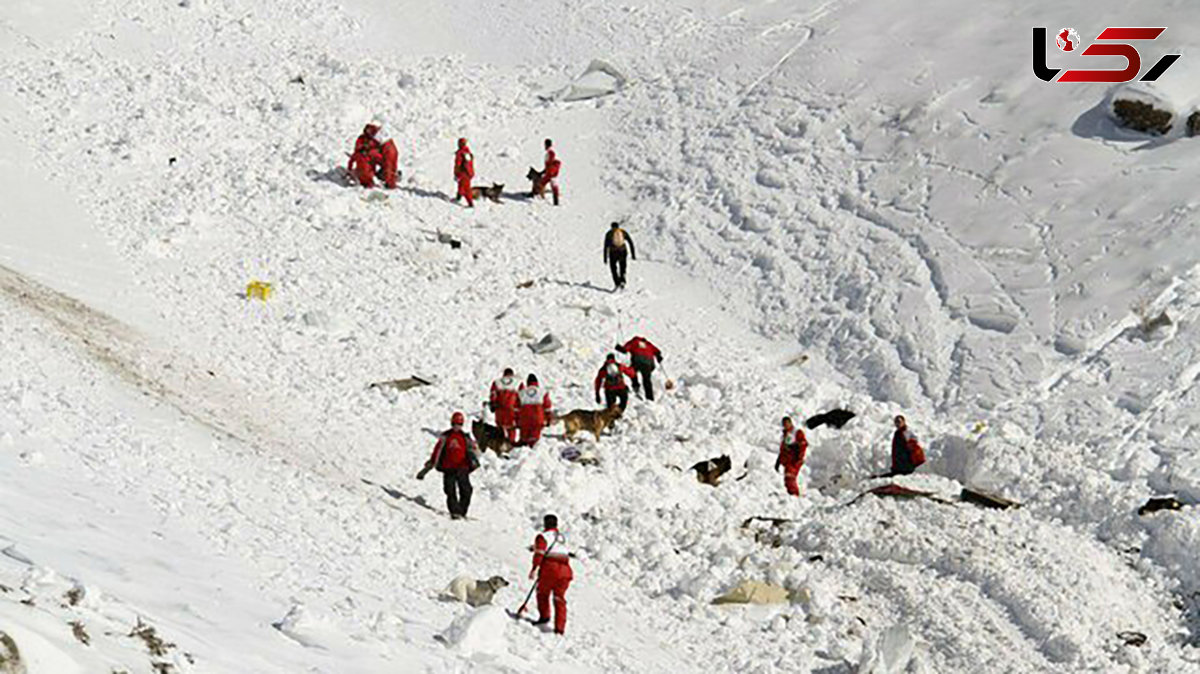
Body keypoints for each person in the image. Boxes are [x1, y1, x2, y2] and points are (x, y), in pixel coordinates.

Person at [416, 412, 481, 520]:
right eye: (455, 424)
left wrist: (474, 453)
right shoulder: (446, 436)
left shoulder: (465, 437)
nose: (457, 426)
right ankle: (454, 511)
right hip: (448, 467)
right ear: (452, 423)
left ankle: (462, 510)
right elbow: (437, 451)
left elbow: (475, 450)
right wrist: (430, 464)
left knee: (466, 490)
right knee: (450, 490)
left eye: (459, 424)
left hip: (462, 467)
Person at [529, 514, 573, 635]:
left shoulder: (542, 536)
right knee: (559, 599)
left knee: (542, 593)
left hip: (550, 569)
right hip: (566, 571)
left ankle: (544, 617)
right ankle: (559, 629)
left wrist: (534, 568)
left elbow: (540, 554)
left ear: (545, 523)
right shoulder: (562, 537)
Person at [347, 121, 399, 189]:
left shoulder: (386, 144)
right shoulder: (362, 140)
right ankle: (368, 181)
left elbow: (390, 162)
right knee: (363, 158)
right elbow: (356, 155)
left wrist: (390, 181)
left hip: (382, 160)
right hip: (366, 162)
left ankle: (384, 175)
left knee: (388, 159)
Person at [615, 335, 661, 401]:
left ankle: (635, 386)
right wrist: (659, 357)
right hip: (649, 363)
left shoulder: (634, 342)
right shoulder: (648, 344)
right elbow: (657, 351)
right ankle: (650, 398)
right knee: (647, 380)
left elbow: (624, 349)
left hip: (637, 360)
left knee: (632, 372)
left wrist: (618, 348)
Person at [517, 374, 553, 447]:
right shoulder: (542, 392)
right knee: (535, 441)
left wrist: (517, 421)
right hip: (538, 419)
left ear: (527, 382)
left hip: (525, 420)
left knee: (524, 440)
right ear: (537, 382)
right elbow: (547, 407)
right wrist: (549, 419)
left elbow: (516, 408)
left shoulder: (521, 393)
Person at [775, 416, 808, 496]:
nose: (785, 425)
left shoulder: (796, 432)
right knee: (787, 479)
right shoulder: (785, 434)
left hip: (794, 460)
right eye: (784, 424)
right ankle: (791, 495)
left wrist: (799, 457)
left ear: (790, 423)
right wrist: (778, 461)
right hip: (787, 461)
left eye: (787, 423)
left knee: (790, 478)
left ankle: (794, 495)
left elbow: (803, 444)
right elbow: (783, 449)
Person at [489, 368, 521, 443]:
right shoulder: (517, 383)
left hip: (499, 409)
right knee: (511, 428)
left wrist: (493, 403)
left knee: (500, 428)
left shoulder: (497, 382)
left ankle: (500, 443)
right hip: (512, 409)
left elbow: (493, 394)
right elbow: (521, 396)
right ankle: (511, 443)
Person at [603, 222, 636, 290]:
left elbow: (606, 246)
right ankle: (622, 281)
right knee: (622, 267)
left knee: (613, 269)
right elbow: (630, 242)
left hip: (613, 253)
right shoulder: (623, 232)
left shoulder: (609, 233)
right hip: (623, 252)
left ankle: (617, 283)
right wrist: (633, 254)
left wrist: (605, 258)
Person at [532, 138, 562, 205]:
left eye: (545, 145)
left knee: (542, 184)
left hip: (550, 173)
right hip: (552, 172)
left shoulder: (550, 152)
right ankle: (555, 202)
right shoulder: (550, 152)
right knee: (553, 186)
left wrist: (546, 171)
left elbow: (549, 163)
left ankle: (538, 197)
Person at [453, 137, 475, 208]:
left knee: (465, 189)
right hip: (468, 173)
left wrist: (457, 173)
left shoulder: (461, 153)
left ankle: (470, 203)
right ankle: (458, 198)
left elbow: (458, 164)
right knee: (460, 186)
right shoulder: (467, 152)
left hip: (463, 174)